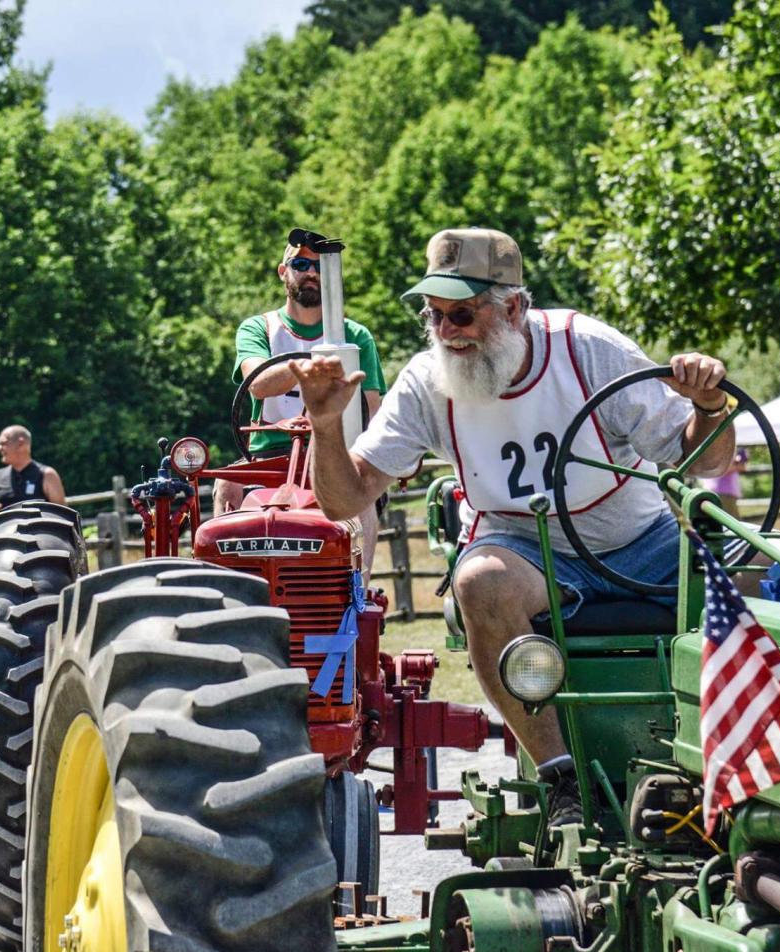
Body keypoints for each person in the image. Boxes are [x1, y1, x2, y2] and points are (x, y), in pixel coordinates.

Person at [288, 227, 737, 825]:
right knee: (479, 581)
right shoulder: (427, 382)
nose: (448, 331)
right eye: (436, 315)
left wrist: (708, 405)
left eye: (463, 314)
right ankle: (563, 783)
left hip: (642, 543)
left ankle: (770, 765)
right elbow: (347, 500)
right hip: (523, 549)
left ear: (514, 308)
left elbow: (704, 460)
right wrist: (324, 425)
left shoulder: (586, 349)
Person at [214, 228, 388, 572]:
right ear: (284, 272)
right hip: (271, 453)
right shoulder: (258, 329)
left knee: (360, 500)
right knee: (226, 485)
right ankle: (230, 580)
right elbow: (259, 384)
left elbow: (372, 411)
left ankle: (359, 596)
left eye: (320, 266)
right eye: (300, 263)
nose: (310, 273)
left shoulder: (355, 336)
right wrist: (315, 366)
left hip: (337, 453)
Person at [0, 425, 66, 525]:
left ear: (21, 443)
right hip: (4, 538)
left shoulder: (47, 475)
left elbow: (63, 515)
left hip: (40, 539)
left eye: (3, 443)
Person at [699, 447, 748, 517]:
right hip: (722, 494)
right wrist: (738, 463)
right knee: (731, 521)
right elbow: (725, 470)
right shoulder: (722, 458)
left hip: (722, 494)